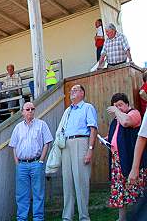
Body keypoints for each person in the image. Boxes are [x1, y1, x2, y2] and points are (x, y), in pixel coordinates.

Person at [9, 102, 53, 221]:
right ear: (22, 112)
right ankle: (21, 218)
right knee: (21, 195)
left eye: (32, 109)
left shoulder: (41, 125)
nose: (30, 111)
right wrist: (17, 163)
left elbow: (47, 142)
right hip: (22, 165)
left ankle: (38, 218)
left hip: (36, 163)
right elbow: (13, 146)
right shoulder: (18, 127)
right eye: (27, 109)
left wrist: (41, 161)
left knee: (38, 193)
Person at [106, 93, 146, 220]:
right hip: (117, 160)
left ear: (127, 104)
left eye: (120, 105)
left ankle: (140, 216)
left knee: (136, 189)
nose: (118, 108)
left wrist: (116, 111)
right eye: (115, 106)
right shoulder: (116, 121)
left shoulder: (133, 113)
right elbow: (115, 137)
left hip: (132, 160)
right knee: (120, 190)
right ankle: (122, 218)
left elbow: (126, 122)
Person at [60, 84, 98, 221]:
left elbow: (93, 129)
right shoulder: (67, 111)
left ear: (82, 93)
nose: (72, 92)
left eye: (75, 90)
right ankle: (67, 217)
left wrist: (90, 150)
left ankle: (84, 217)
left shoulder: (88, 107)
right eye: (71, 90)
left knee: (81, 182)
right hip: (66, 145)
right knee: (67, 182)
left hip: (81, 143)